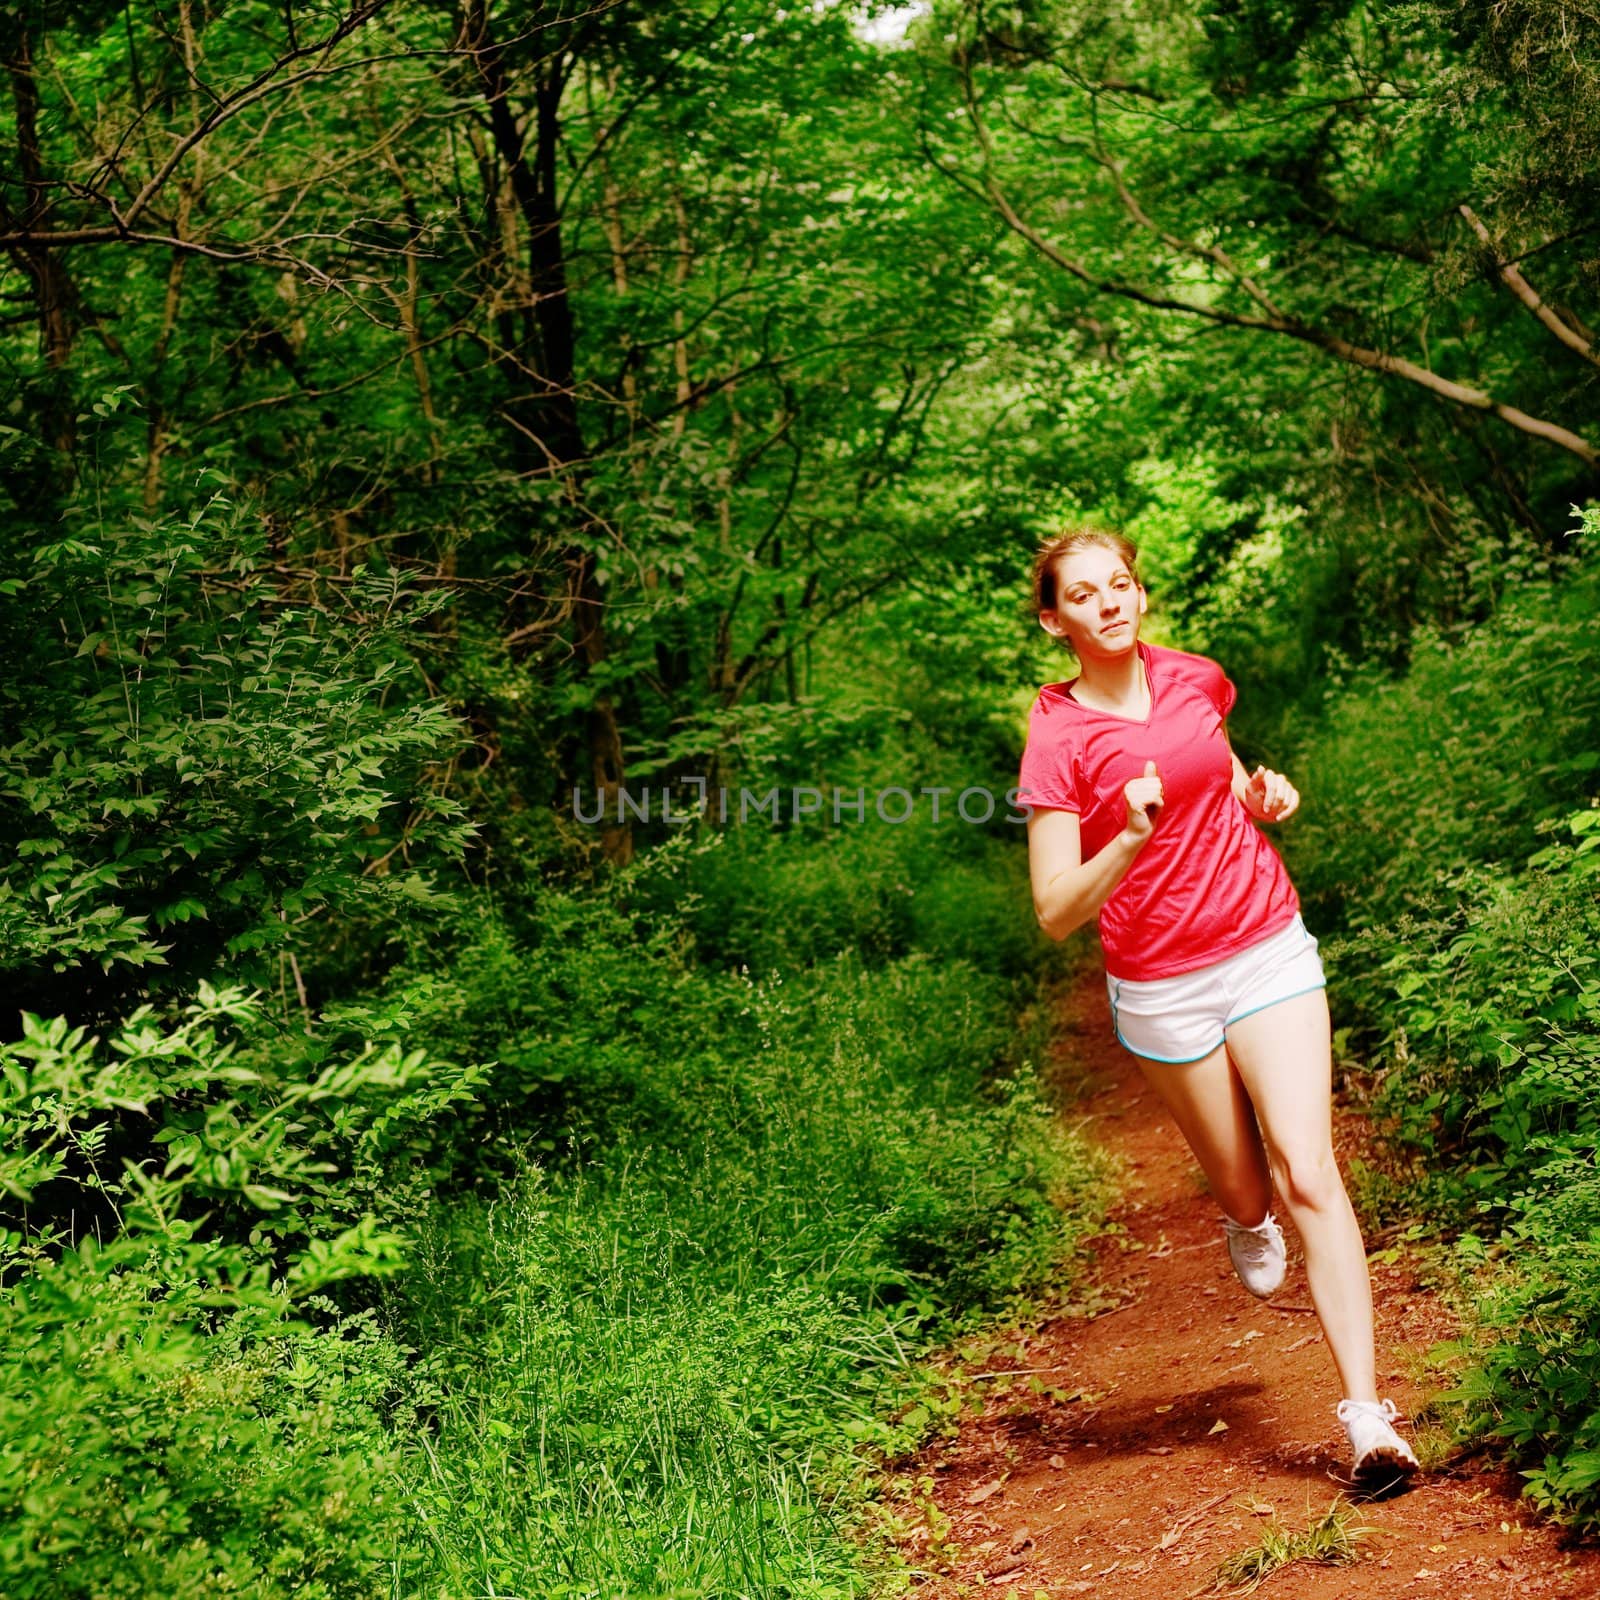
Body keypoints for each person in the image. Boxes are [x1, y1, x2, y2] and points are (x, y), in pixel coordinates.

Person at [1016, 525, 1419, 1488]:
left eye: (1122, 584)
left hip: (1264, 943)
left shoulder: (1197, 677)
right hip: (1161, 987)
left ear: (1138, 594)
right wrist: (1127, 838)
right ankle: (1244, 1216)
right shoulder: (1059, 736)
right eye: (1084, 594)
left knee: (1309, 1167)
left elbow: (1224, 778)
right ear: (1053, 619)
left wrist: (1262, 795)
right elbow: (1053, 912)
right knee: (1248, 1186)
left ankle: (1370, 1422)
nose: (1110, 602)